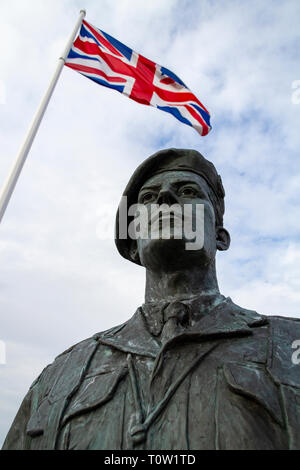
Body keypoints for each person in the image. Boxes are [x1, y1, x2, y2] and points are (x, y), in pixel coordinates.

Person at [3, 148, 300, 450]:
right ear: (134, 246)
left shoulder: (290, 347)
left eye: (187, 191)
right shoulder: (61, 374)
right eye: (148, 198)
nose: (165, 199)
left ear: (220, 236)